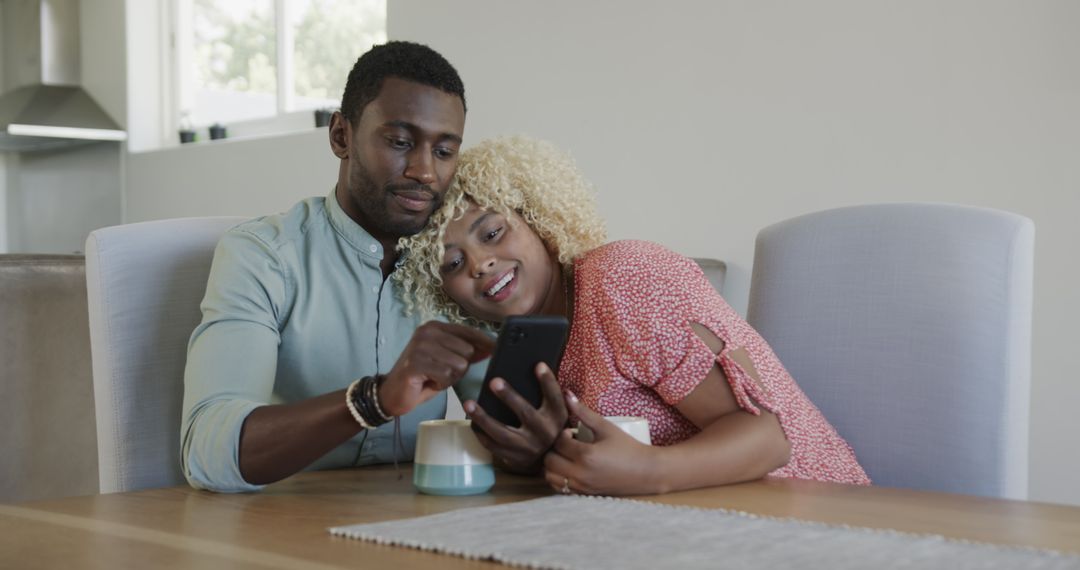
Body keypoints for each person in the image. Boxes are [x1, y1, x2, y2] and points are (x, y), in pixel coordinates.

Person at [395, 136, 871, 496]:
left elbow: (769, 438)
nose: (480, 263)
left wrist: (648, 470)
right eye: (452, 264)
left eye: (493, 233)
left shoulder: (621, 279)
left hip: (815, 511)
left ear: (537, 219)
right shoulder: (529, 350)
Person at [181, 42, 558, 492]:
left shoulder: (456, 267)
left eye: (444, 151)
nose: (425, 172)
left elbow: (504, 425)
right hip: (280, 520)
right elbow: (207, 453)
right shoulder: (263, 256)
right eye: (400, 142)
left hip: (422, 520)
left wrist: (530, 446)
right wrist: (372, 400)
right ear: (341, 136)